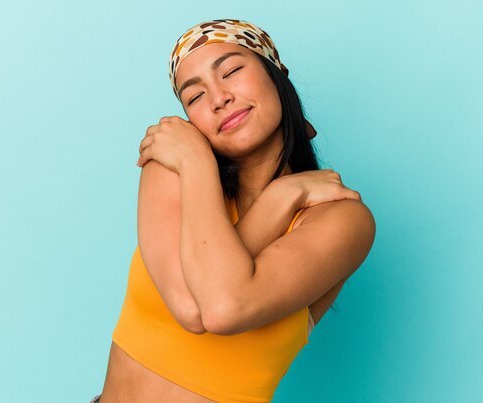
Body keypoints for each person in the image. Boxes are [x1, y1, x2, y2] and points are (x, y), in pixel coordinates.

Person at [93, 19, 376, 403]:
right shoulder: (173, 168)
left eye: (232, 71)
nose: (218, 98)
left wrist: (278, 196)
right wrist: (271, 192)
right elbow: (191, 307)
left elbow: (221, 306)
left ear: (277, 75)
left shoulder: (342, 220)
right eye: (194, 97)